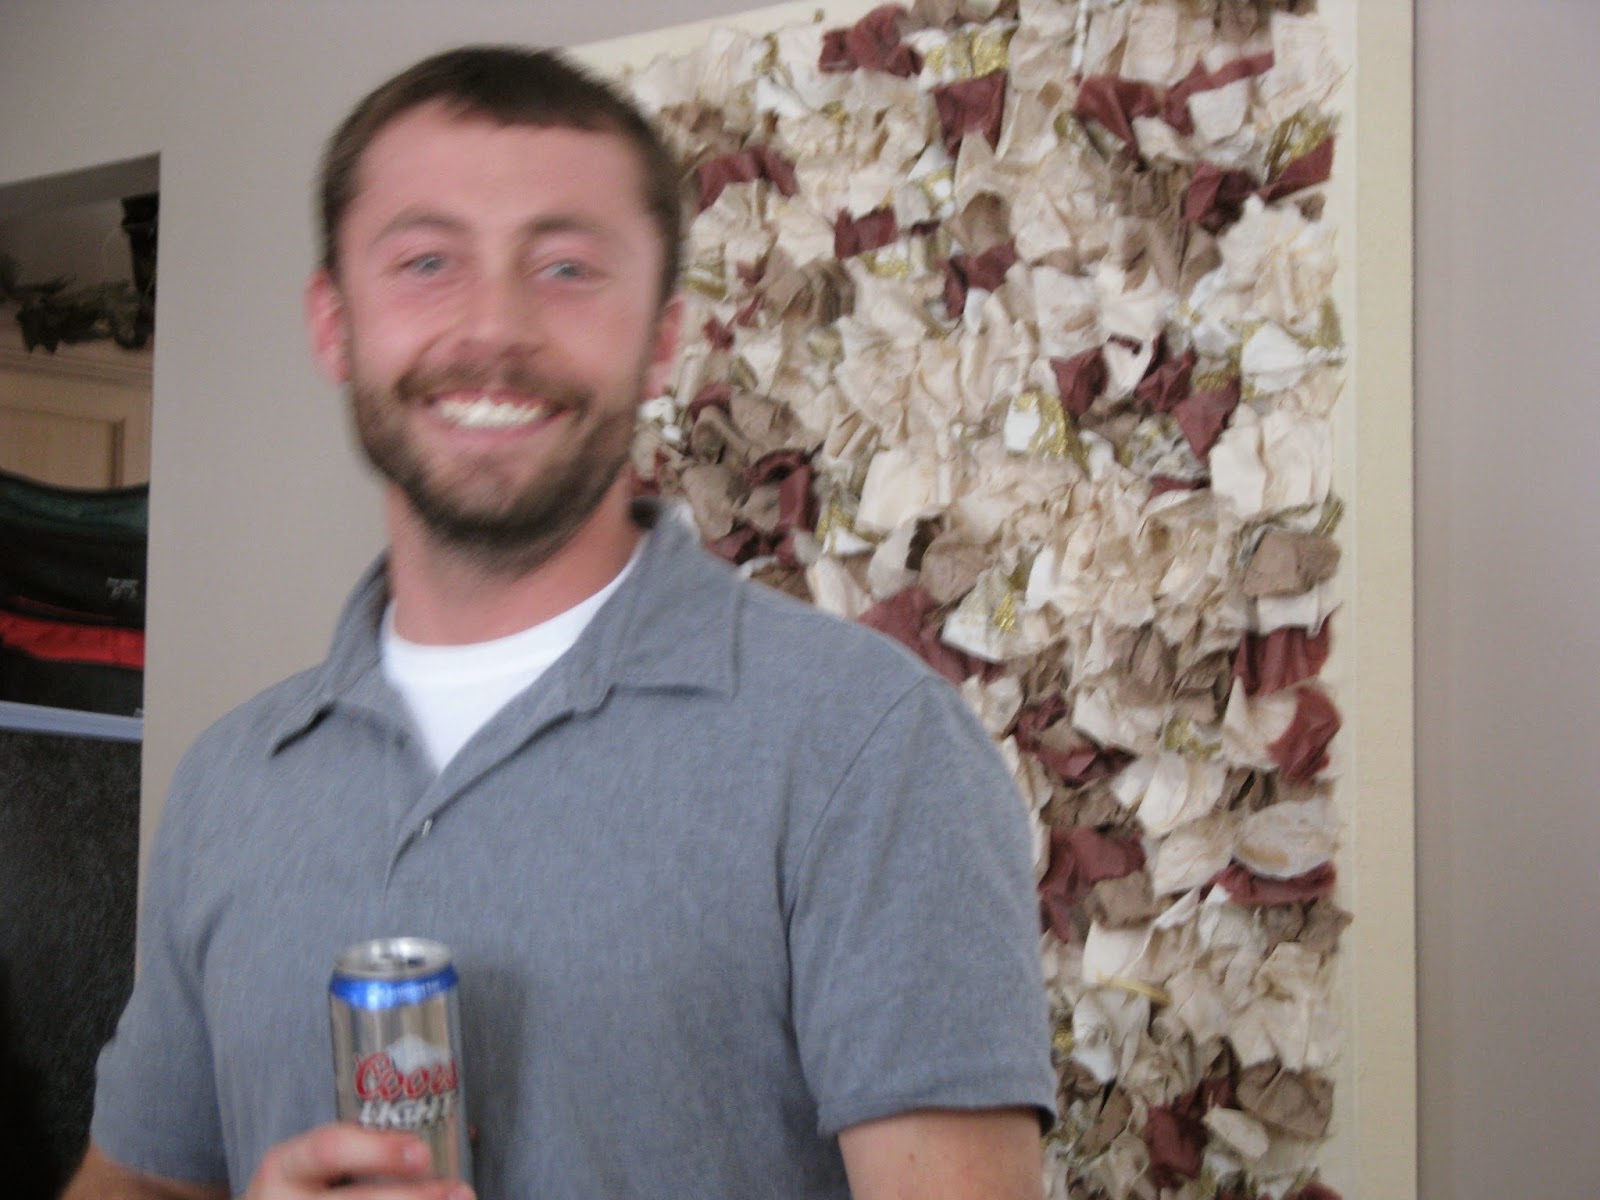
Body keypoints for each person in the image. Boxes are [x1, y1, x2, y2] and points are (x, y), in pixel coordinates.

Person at [64, 45, 1056, 1200]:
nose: (495, 326)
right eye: (426, 261)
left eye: (568, 267)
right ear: (334, 324)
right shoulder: (229, 781)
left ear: (662, 341)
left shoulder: (868, 748)